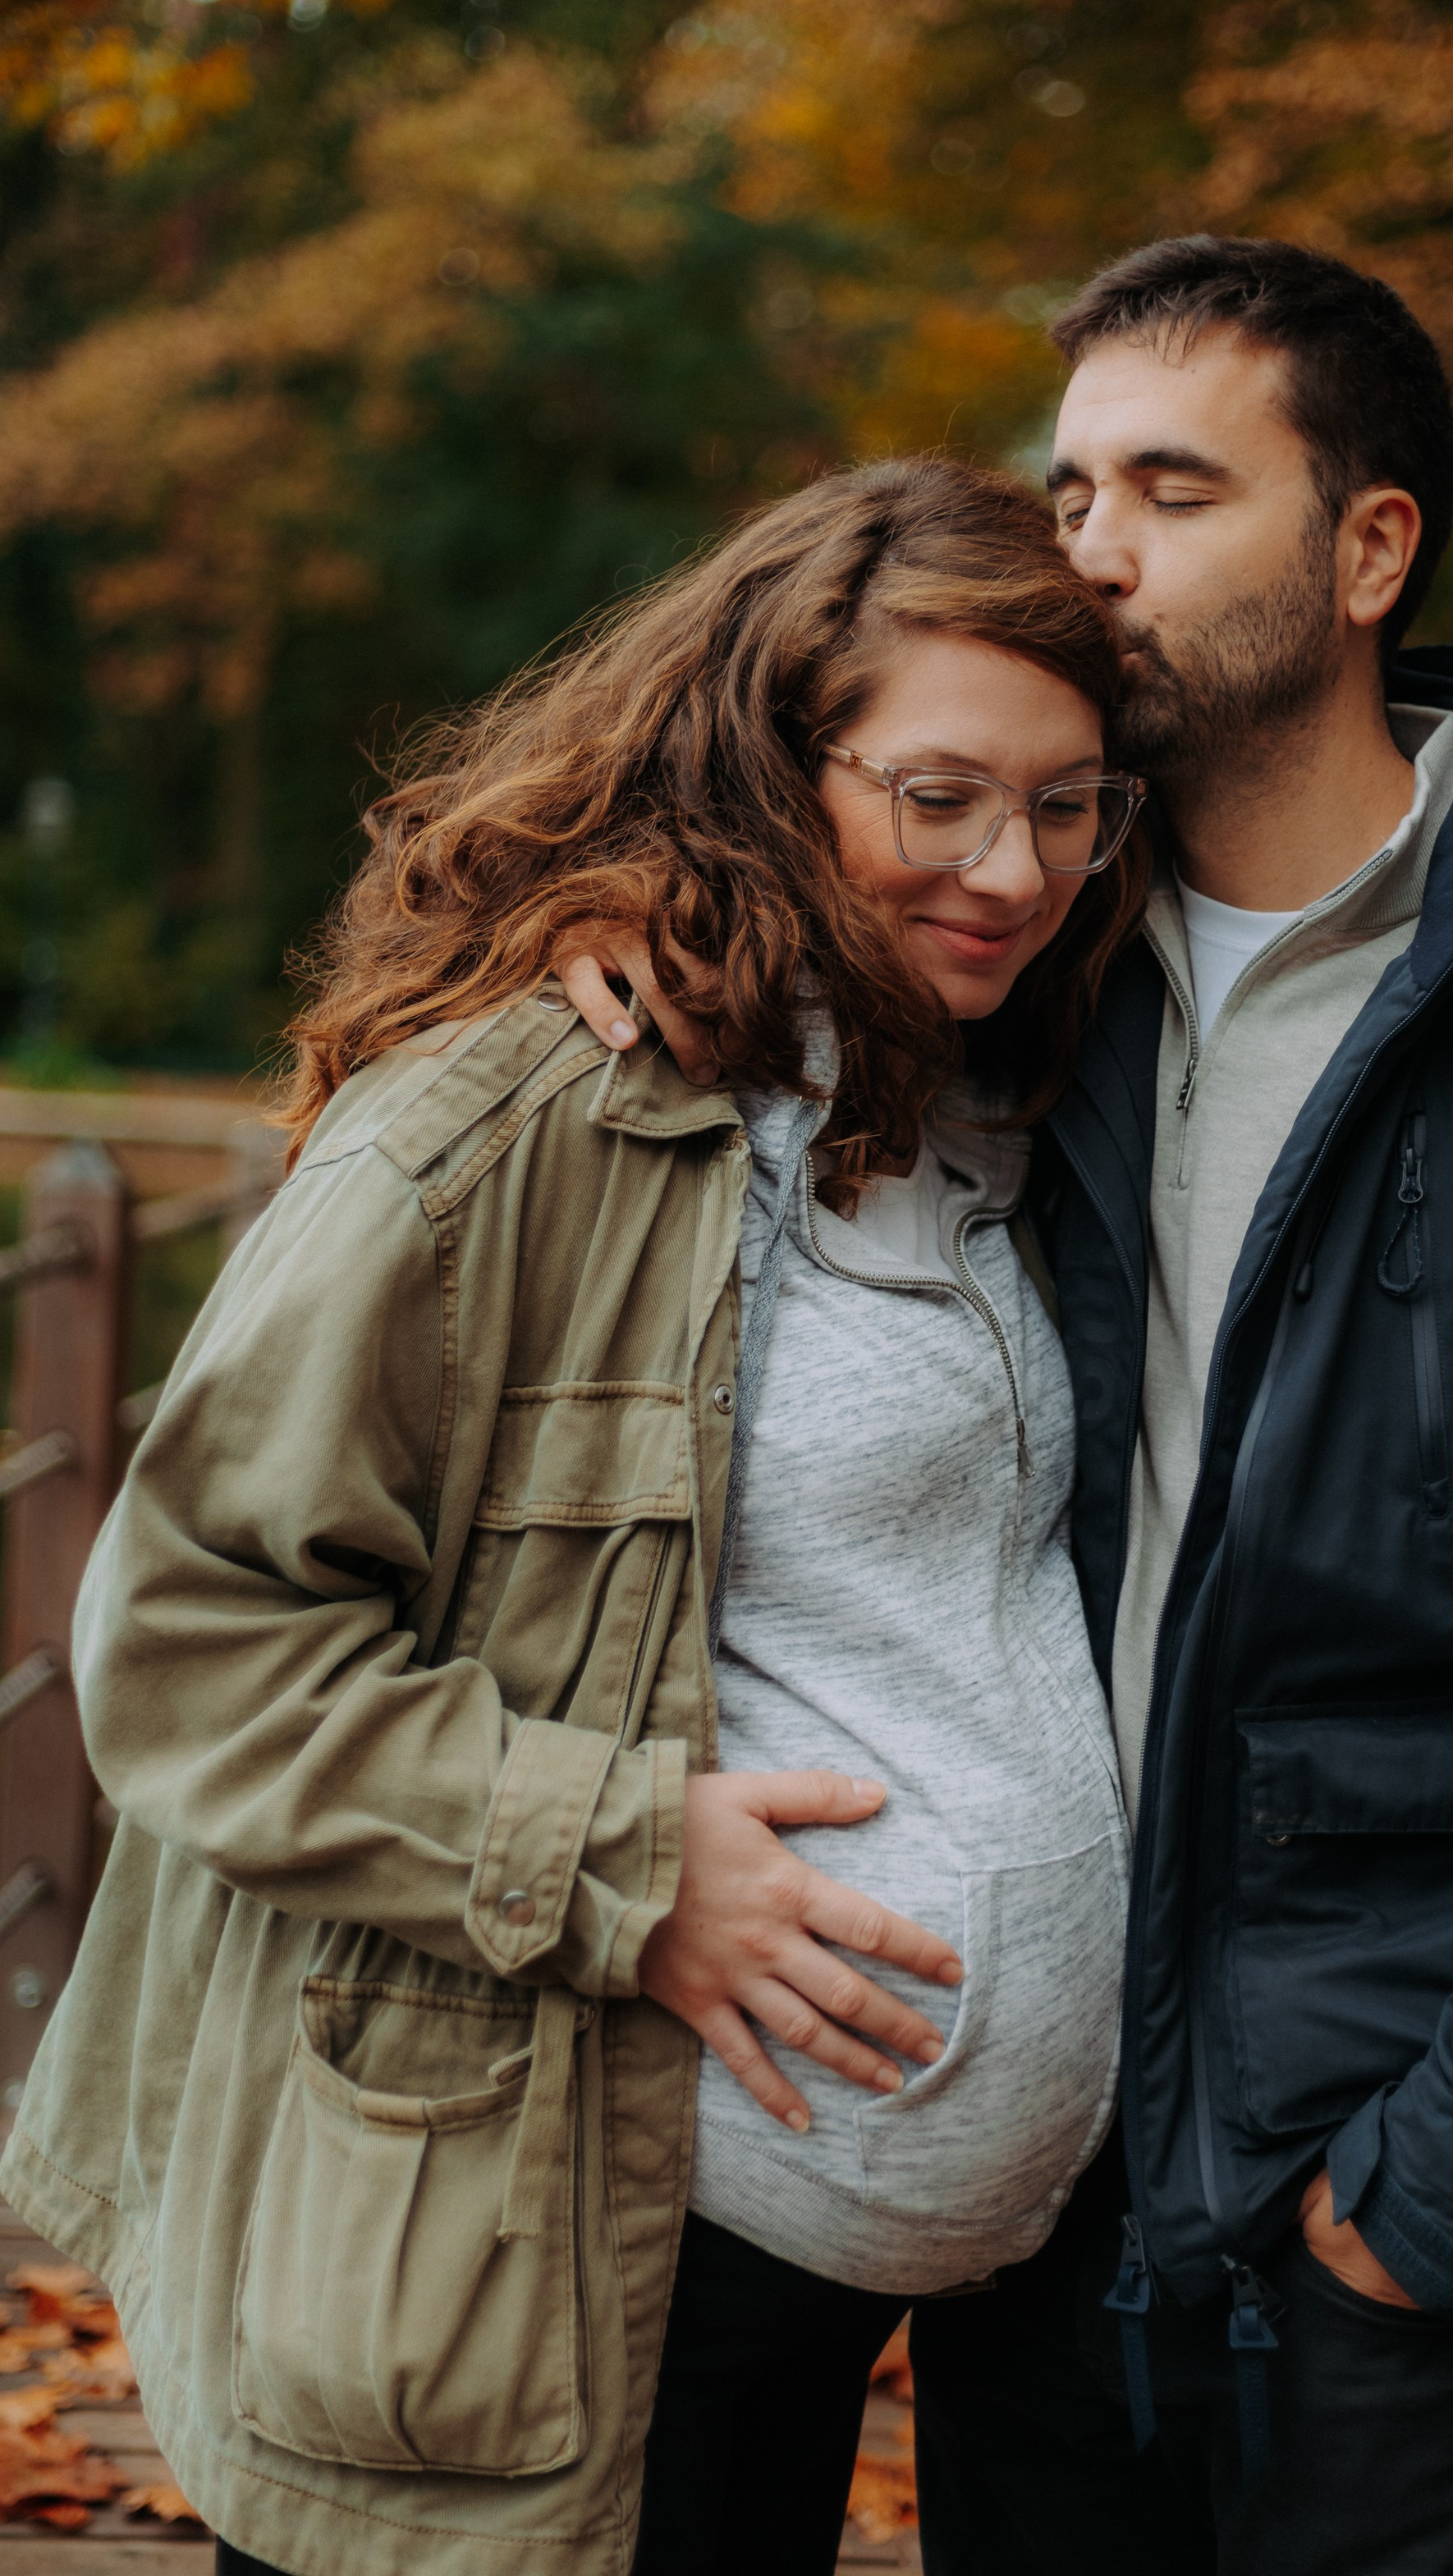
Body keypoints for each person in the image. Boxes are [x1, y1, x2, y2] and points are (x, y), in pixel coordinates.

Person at [560, 239, 1453, 2574]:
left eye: (1172, 486)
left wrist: (1443, 2195)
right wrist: (635, 923)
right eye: (1068, 487)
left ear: (1370, 552)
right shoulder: (1020, 944)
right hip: (1044, 2203)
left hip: (1396, 2217)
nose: (1092, 552)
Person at [0, 459, 1153, 2576]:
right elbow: (183, 1641)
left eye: (1075, 807)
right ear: (763, 762)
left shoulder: (983, 1088)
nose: (1016, 869)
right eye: (941, 799)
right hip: (549, 2236)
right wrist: (631, 1861)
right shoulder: (513, 1117)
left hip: (821, 2278)